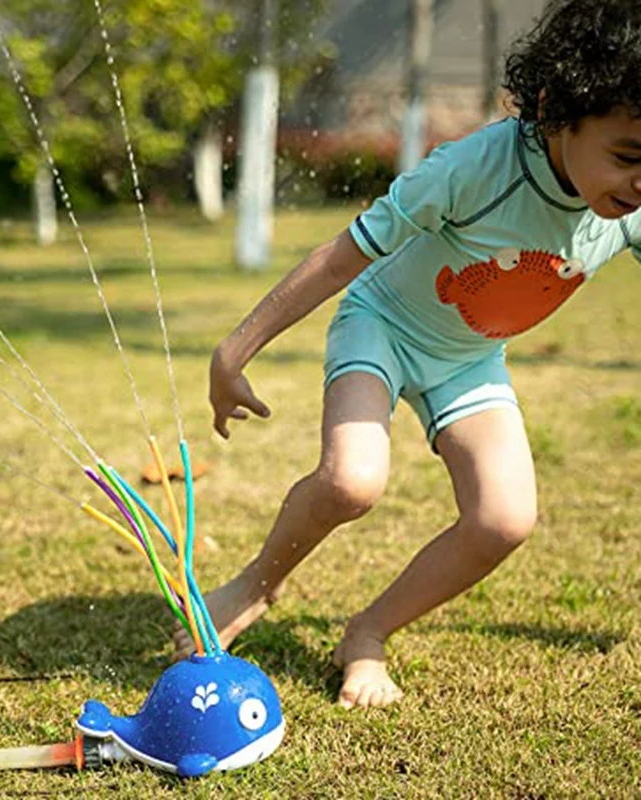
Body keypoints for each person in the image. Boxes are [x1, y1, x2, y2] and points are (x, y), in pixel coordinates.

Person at [174, 0, 641, 708]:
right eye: (628, 157)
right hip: (383, 327)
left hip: (469, 360)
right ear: (555, 110)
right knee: (351, 481)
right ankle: (253, 586)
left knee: (503, 519)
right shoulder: (472, 169)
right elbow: (341, 258)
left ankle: (367, 633)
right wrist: (232, 351)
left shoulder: (630, 211)